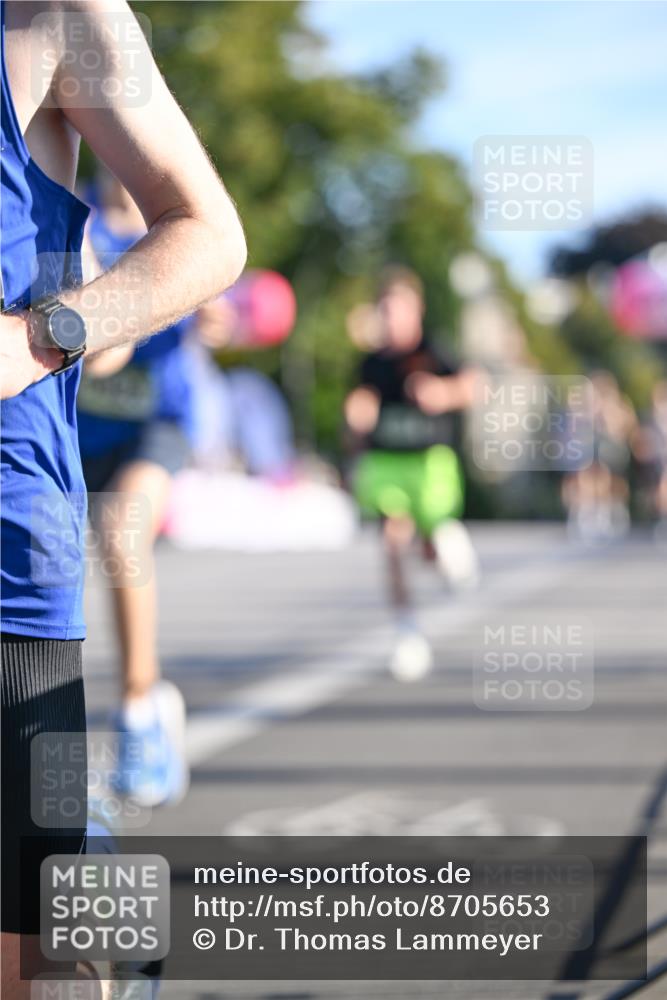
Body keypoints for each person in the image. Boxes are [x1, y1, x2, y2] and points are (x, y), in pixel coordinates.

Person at [0, 1, 246, 995]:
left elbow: (210, 235)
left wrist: (39, 333)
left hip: (10, 553)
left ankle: (89, 886)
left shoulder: (56, 14)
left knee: (32, 966)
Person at [77, 170, 195, 809]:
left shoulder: (172, 218)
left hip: (154, 426)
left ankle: (139, 715)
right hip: (77, 428)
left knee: (122, 531)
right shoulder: (69, 214)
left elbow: (216, 284)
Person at [344, 266, 479, 682]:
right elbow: (358, 415)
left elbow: (474, 385)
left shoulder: (433, 349)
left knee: (431, 547)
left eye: (397, 310)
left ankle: (445, 546)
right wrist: (354, 428)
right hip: (388, 465)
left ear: (415, 311)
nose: (390, 319)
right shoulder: (371, 364)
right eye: (384, 310)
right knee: (391, 542)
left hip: (429, 462)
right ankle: (408, 633)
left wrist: (443, 393)